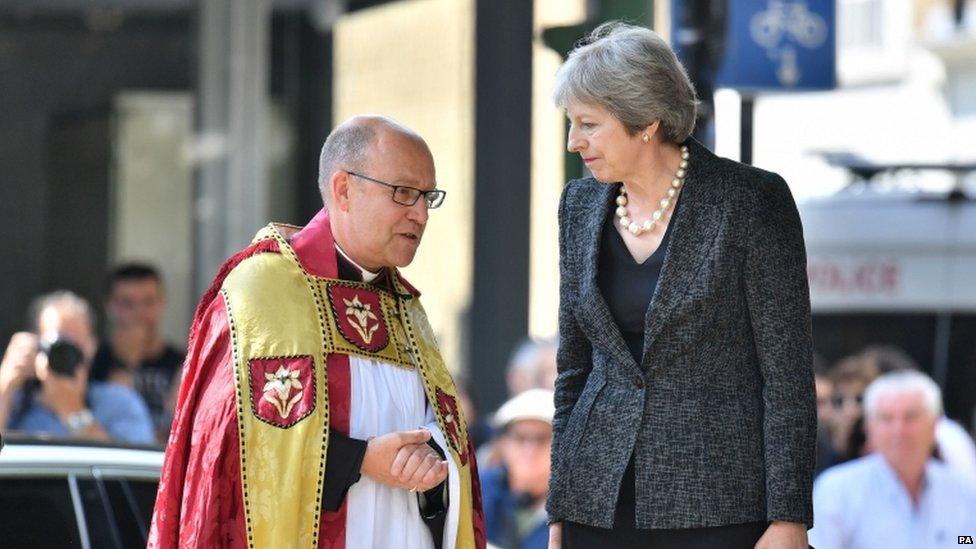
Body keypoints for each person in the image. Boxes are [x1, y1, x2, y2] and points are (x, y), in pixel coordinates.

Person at [149, 115, 485, 548]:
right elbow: (228, 453)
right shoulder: (261, 292)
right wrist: (360, 460)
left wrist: (433, 462)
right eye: (403, 193)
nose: (419, 214)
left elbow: (451, 449)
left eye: (427, 197)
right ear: (344, 189)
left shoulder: (407, 311)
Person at [546, 22, 816, 549]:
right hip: (596, 503)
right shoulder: (577, 206)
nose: (574, 141)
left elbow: (787, 375)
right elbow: (572, 371)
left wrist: (789, 518)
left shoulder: (750, 201)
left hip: (720, 503)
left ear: (645, 121)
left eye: (588, 124)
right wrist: (560, 509)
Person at [808, 371, 976, 548]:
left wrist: (960, 541)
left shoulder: (965, 492)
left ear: (934, 425)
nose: (899, 430)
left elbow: (967, 541)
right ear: (869, 428)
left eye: (911, 417)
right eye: (886, 419)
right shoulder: (837, 491)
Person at [0, 291, 155, 444]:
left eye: (75, 347)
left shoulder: (120, 403)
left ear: (92, 348)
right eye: (57, 346)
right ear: (37, 346)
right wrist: (5, 387)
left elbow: (127, 465)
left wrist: (73, 411)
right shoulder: (16, 403)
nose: (65, 356)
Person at [91, 263, 185, 441]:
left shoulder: (183, 363)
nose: (139, 313)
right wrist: (124, 363)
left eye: (148, 302)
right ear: (109, 306)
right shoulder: (93, 363)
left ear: (162, 303)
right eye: (127, 304)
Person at [481, 389, 554, 549]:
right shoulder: (479, 490)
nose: (530, 449)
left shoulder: (574, 506)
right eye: (520, 437)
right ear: (503, 443)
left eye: (541, 438)